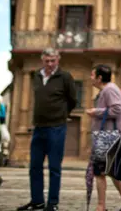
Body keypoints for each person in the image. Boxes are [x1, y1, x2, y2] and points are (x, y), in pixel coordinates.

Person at [18, 48, 77, 211]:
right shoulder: (37, 75)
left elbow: (72, 100)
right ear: (42, 60)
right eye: (47, 61)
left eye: (53, 61)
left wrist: (63, 114)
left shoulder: (65, 77)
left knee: (54, 167)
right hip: (38, 127)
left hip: (56, 127)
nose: (50, 64)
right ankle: (37, 201)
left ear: (58, 60)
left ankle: (52, 203)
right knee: (35, 166)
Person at [87, 65, 121, 211]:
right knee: (111, 172)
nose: (91, 78)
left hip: (107, 137)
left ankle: (101, 206)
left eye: (93, 75)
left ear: (99, 77)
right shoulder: (108, 90)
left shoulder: (109, 89)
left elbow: (117, 109)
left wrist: (96, 112)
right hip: (107, 137)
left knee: (100, 172)